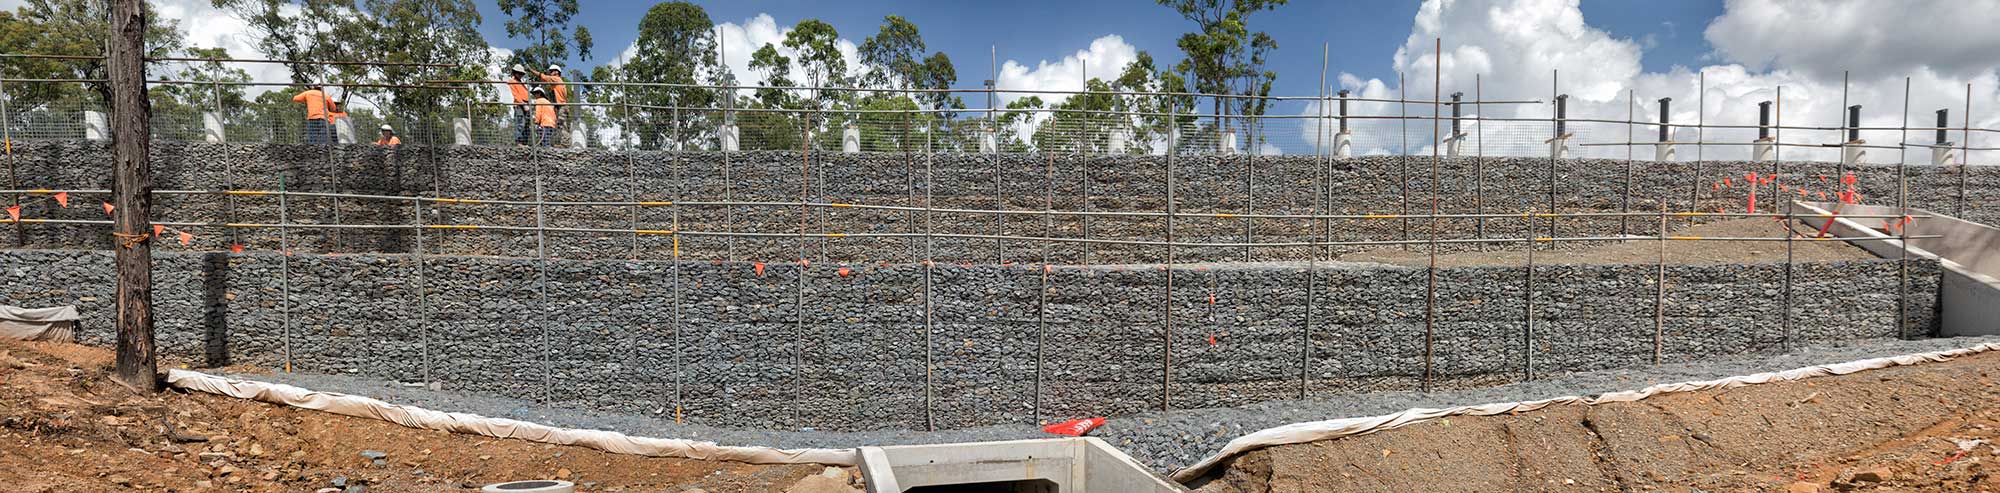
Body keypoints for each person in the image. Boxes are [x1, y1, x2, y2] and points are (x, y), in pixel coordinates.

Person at [539, 65, 569, 146]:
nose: (551, 73)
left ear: (556, 72)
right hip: (561, 106)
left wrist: (531, 70)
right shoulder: (559, 82)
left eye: (552, 71)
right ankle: (562, 143)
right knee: (561, 125)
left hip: (561, 106)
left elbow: (544, 77)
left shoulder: (556, 79)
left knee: (562, 125)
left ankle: (565, 144)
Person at [506, 64, 533, 145]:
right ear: (515, 73)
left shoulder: (521, 83)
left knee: (527, 125)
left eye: (522, 74)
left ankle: (525, 142)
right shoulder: (512, 81)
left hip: (527, 104)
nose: (521, 75)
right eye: (519, 73)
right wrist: (523, 104)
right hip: (520, 105)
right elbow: (516, 95)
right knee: (520, 123)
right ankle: (519, 142)